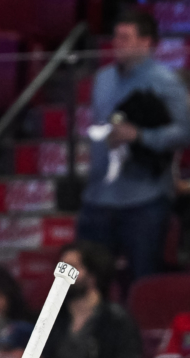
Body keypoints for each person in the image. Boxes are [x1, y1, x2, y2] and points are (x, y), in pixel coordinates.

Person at [79, 8, 190, 286]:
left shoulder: (166, 82)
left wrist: (139, 136)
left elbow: (184, 132)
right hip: (99, 196)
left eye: (126, 37)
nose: (118, 43)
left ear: (146, 42)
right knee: (89, 277)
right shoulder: (102, 79)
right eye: (116, 37)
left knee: (141, 277)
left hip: (145, 198)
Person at [40, 240, 144, 358]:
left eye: (72, 268)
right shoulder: (51, 320)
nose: (62, 275)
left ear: (92, 275)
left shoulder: (116, 322)